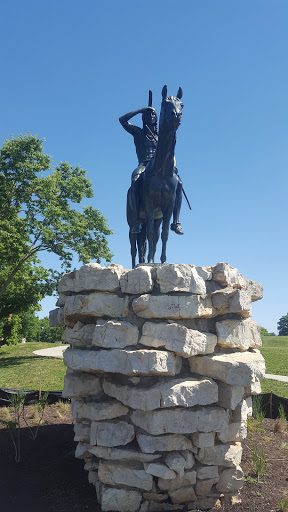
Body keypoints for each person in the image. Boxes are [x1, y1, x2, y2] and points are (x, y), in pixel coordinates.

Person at [119, 104, 184, 235]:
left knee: (179, 183)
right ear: (144, 117)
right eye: (148, 114)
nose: (151, 117)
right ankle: (136, 219)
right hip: (144, 165)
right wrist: (140, 110)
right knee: (135, 179)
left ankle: (176, 221)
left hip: (163, 166)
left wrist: (173, 166)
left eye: (154, 115)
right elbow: (122, 120)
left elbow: (170, 151)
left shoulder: (160, 135)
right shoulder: (138, 132)